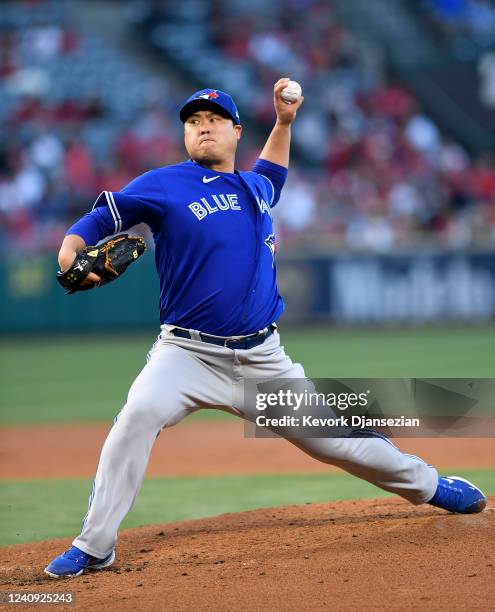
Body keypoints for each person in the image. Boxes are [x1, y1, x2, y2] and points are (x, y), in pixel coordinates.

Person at [45, 79, 487, 578]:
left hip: (262, 361)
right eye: (193, 122)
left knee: (333, 442)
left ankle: (429, 485)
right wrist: (70, 246)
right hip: (185, 356)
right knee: (136, 417)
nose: (202, 127)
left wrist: (283, 123)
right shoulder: (164, 184)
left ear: (236, 132)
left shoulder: (254, 188)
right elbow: (102, 216)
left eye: (213, 120)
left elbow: (273, 172)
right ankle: (96, 545)